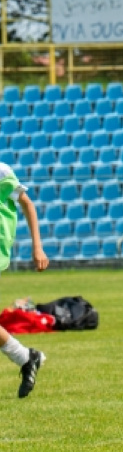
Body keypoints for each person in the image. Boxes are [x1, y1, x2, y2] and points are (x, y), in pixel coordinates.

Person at [0, 162, 49, 397]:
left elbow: (27, 205)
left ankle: (26, 357)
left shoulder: (2, 172)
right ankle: (27, 357)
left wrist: (37, 247)